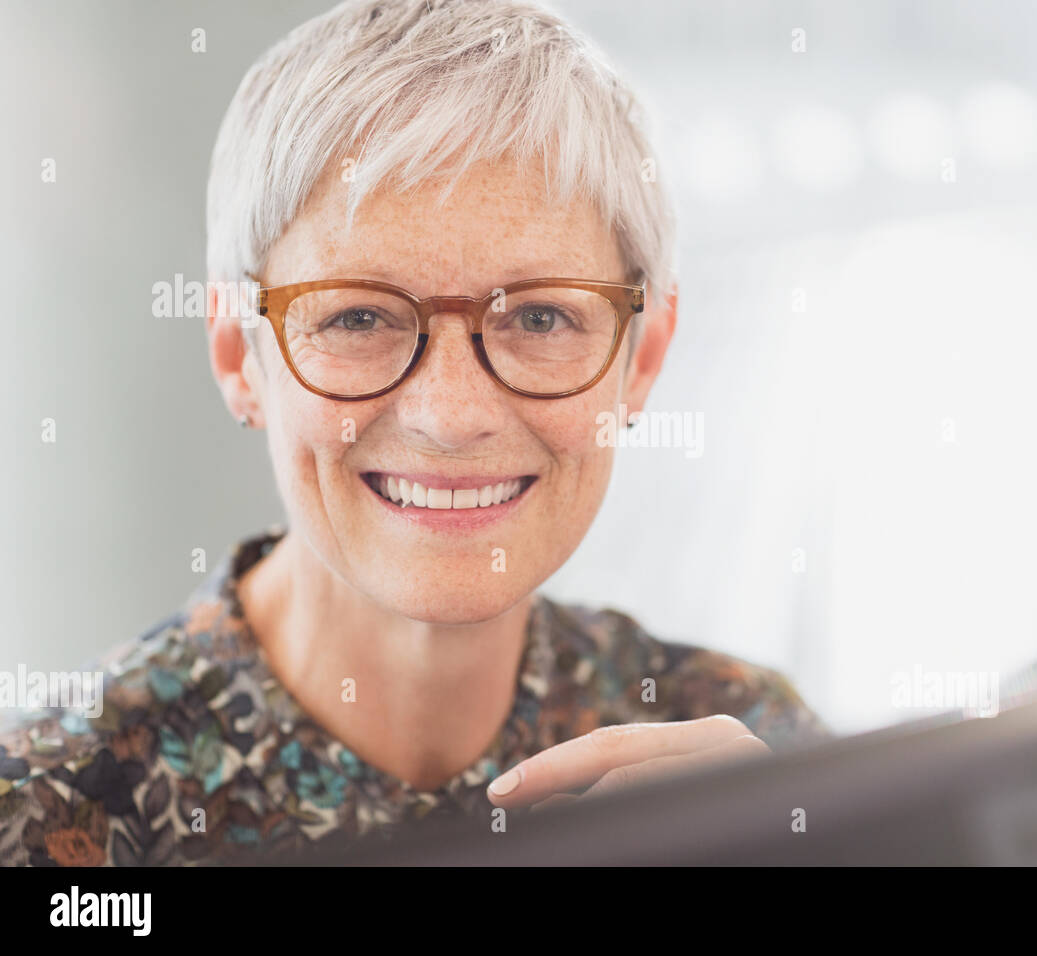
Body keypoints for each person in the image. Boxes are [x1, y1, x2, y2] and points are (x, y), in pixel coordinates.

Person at [0, 0, 828, 867]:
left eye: (540, 317)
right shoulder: (42, 817)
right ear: (239, 355)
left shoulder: (755, 759)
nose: (451, 415)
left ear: (643, 356)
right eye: (358, 318)